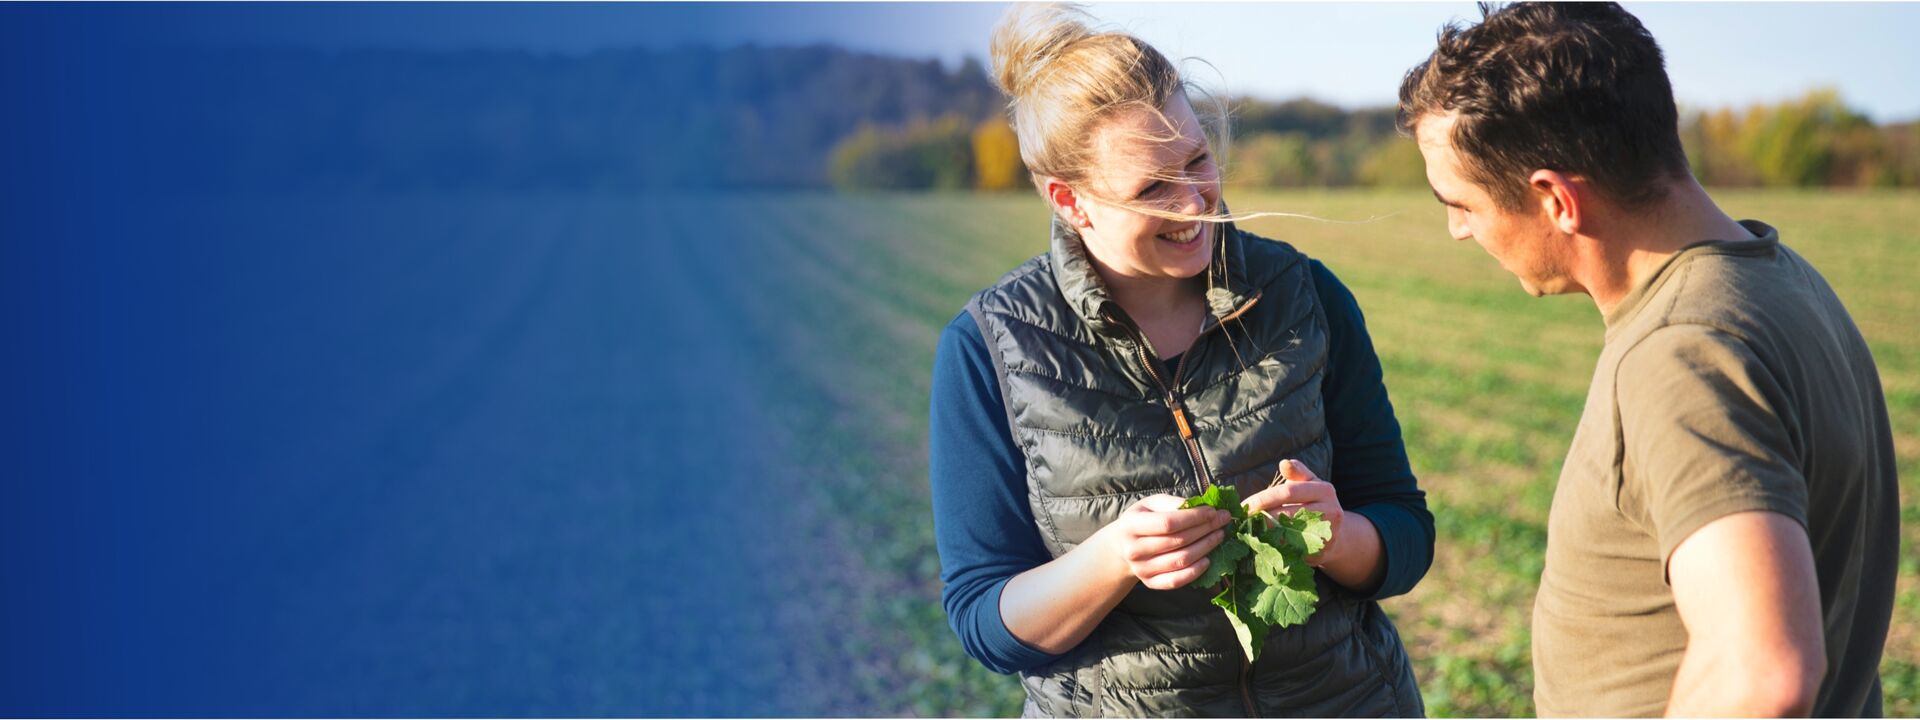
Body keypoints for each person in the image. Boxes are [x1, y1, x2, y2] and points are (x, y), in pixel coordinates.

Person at [929, 5, 1434, 716]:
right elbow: (984, 617)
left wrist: (1338, 535)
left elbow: (1406, 531)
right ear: (1071, 201)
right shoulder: (990, 347)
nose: (1195, 203)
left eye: (1198, 161)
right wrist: (1115, 558)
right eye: (1152, 188)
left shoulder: (1304, 295)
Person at [1396, 3, 1899, 716]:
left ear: (1556, 199)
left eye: (1462, 204)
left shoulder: (1683, 351)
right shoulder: (1778, 277)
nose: (1456, 229)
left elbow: (1762, 672)